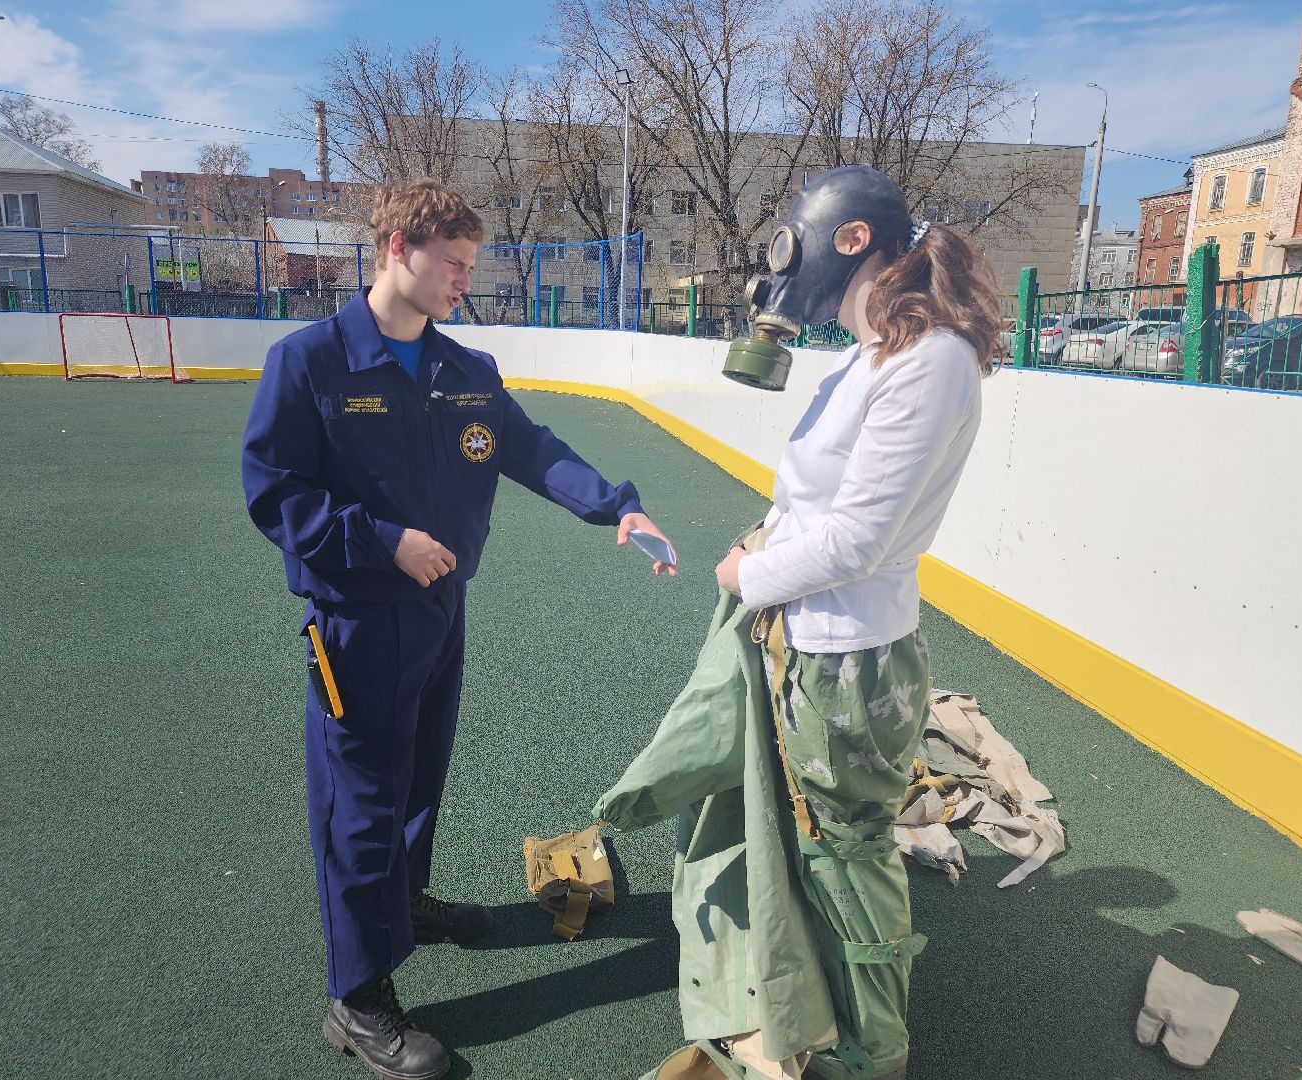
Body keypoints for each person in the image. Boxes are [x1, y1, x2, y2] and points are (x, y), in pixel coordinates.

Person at [241, 178, 674, 1080]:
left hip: (442, 615)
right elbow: (273, 492)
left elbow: (531, 448)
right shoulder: (311, 362)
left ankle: (406, 903)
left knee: (418, 781)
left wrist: (616, 510)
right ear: (397, 247)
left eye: (471, 269)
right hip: (356, 622)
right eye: (453, 264)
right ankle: (358, 1000)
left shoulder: (465, 372)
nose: (462, 284)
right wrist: (381, 542)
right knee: (359, 804)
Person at [597, 165, 1001, 1080]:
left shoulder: (927, 359)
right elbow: (822, 509)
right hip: (810, 646)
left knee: (850, 860)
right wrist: (768, 560)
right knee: (816, 846)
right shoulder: (872, 356)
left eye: (792, 235)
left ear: (850, 239)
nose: (783, 259)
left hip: (849, 662)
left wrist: (746, 572)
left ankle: (874, 1056)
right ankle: (818, 1013)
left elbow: (858, 539)